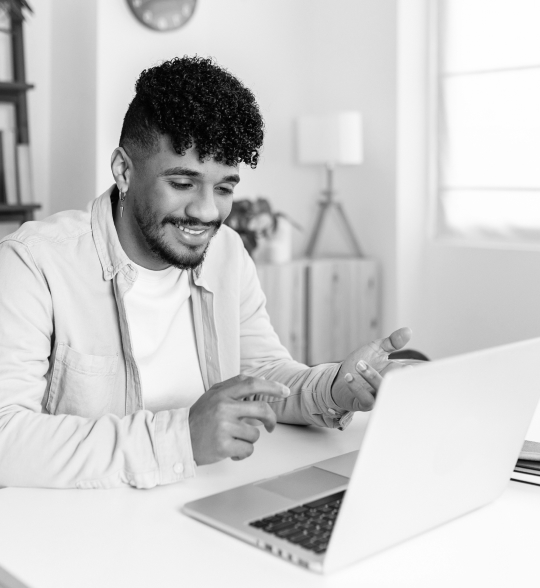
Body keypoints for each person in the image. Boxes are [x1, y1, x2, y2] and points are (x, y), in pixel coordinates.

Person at [0, 56, 411, 489]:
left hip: (201, 500)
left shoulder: (226, 252)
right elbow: (6, 437)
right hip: (79, 528)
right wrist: (182, 439)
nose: (206, 211)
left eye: (225, 188)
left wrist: (334, 389)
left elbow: (264, 372)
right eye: (182, 184)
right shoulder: (33, 264)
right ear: (124, 170)